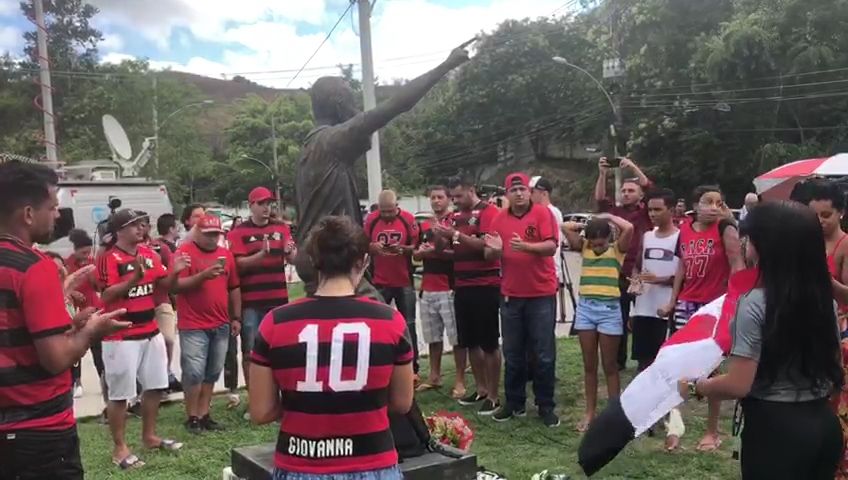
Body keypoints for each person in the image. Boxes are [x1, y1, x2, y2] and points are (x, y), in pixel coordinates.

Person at [293, 40, 473, 298]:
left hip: (319, 256)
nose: (356, 110)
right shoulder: (331, 141)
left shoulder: (310, 146)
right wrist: (445, 66)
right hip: (330, 260)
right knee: (383, 323)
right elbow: (396, 106)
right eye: (351, 101)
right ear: (337, 103)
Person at [682, 201, 843, 479]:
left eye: (750, 239)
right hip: (824, 426)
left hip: (775, 430)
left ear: (765, 246)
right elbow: (834, 364)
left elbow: (738, 383)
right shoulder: (823, 300)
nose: (745, 245)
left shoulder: (754, 303)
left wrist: (698, 386)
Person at [249, 215, 414, 480]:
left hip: (300, 463)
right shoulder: (390, 321)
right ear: (363, 262)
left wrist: (303, 400)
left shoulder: (275, 322)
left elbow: (261, 411)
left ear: (313, 261)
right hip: (373, 462)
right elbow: (402, 402)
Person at [0, 160, 128, 480]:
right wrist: (91, 332)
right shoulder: (34, 266)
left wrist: (64, 311)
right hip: (38, 431)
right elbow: (55, 359)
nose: (58, 216)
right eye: (53, 207)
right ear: (28, 214)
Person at [96, 209, 188, 469]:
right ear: (119, 230)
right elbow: (105, 295)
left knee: (156, 386)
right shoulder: (108, 257)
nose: (141, 228)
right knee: (120, 394)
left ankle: (149, 436)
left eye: (142, 224)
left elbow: (164, 286)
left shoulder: (149, 253)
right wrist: (133, 279)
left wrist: (176, 271)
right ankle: (120, 448)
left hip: (150, 330)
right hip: (120, 336)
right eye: (134, 225)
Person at [659, 185, 744, 452]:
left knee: (712, 370)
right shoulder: (683, 229)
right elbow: (682, 266)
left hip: (714, 307)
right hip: (686, 305)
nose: (713, 207)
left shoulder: (725, 228)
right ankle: (674, 427)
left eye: (719, 202)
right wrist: (673, 301)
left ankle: (712, 431)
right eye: (708, 202)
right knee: (677, 366)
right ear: (696, 204)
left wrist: (732, 304)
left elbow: (737, 266)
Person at [484, 173, 560, 427]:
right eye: (513, 190)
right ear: (507, 194)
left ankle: (545, 405)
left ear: (529, 192)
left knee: (543, 353)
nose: (519, 194)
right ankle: (514, 403)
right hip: (511, 295)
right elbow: (489, 252)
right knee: (513, 353)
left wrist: (526, 247)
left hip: (541, 294)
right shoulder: (498, 218)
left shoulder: (542, 214)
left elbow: (551, 246)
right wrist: (493, 250)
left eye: (522, 189)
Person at [791, 179, 848, 478]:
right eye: (814, 216)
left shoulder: (844, 244)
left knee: (838, 405)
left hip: (839, 334)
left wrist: (827, 281)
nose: (820, 221)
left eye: (826, 215)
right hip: (808, 330)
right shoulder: (805, 241)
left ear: (840, 213)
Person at [434, 176, 503, 416]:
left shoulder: (489, 212)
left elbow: (487, 250)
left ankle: (494, 395)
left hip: (485, 284)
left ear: (472, 190)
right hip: (461, 284)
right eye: (453, 197)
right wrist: (440, 236)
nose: (456, 201)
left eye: (459, 196)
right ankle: (481, 388)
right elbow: (443, 251)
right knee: (469, 341)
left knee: (489, 342)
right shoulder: (454, 217)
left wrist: (456, 235)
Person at [562, 214, 634, 432]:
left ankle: (614, 415)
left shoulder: (617, 250)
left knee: (610, 366)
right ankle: (590, 413)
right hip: (586, 310)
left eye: (601, 243)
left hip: (609, 311)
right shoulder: (584, 247)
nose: (597, 247)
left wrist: (608, 216)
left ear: (609, 237)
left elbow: (629, 227)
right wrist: (586, 225)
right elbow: (564, 226)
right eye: (593, 243)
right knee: (589, 366)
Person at [174, 215, 241, 434]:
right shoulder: (184, 253)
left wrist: (236, 317)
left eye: (216, 235)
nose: (213, 239)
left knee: (213, 371)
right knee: (194, 372)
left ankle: (204, 414)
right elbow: (176, 286)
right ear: (198, 233)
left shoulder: (225, 255)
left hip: (221, 321)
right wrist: (202, 276)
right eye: (208, 234)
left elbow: (234, 288)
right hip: (193, 323)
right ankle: (192, 415)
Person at [227, 187, 296, 397]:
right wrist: (260, 255)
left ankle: (282, 393)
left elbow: (293, 258)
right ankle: (256, 396)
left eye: (269, 204)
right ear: (251, 206)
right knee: (251, 350)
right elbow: (236, 265)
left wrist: (291, 252)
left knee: (281, 347)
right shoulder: (238, 233)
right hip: (251, 301)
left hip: (278, 299)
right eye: (261, 204)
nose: (266, 208)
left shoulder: (281, 228)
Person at [594, 156, 652, 370]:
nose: (626, 193)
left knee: (643, 319)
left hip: (640, 271)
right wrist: (602, 174)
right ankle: (618, 361)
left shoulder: (646, 212)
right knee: (618, 317)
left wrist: (633, 166)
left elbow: (651, 188)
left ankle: (643, 360)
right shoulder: (615, 212)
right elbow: (600, 200)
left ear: (640, 195)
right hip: (617, 272)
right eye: (624, 191)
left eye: (631, 191)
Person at [414, 186, 465, 397]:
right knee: (433, 337)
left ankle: (460, 380)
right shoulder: (425, 224)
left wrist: (437, 251)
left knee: (456, 338)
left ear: (448, 199)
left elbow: (460, 253)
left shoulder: (455, 222)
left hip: (449, 286)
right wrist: (422, 252)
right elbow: (416, 254)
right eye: (433, 197)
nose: (436, 201)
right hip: (427, 286)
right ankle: (434, 376)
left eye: (440, 197)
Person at [365, 189, 419, 376]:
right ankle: (379, 364)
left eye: (390, 211)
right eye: (384, 211)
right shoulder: (371, 220)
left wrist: (403, 249)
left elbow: (417, 248)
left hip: (404, 280)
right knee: (377, 324)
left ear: (397, 206)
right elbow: (362, 245)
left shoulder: (408, 219)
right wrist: (372, 247)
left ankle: (413, 367)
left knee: (409, 325)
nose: (387, 215)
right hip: (380, 281)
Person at [630, 188, 680, 373]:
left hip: (664, 308)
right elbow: (637, 265)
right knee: (643, 362)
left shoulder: (680, 238)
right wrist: (635, 280)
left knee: (662, 362)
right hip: (643, 308)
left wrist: (658, 279)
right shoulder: (647, 236)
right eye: (650, 210)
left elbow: (683, 277)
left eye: (658, 210)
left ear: (672, 210)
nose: (652, 214)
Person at [65, 228, 101, 398]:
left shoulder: (92, 262)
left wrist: (93, 274)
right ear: (76, 250)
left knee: (97, 346)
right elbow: (63, 284)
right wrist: (71, 293)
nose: (86, 255)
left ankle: (103, 377)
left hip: (93, 307)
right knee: (75, 348)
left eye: (88, 251)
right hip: (75, 310)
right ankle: (77, 382)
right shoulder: (68, 263)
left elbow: (98, 286)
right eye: (83, 252)